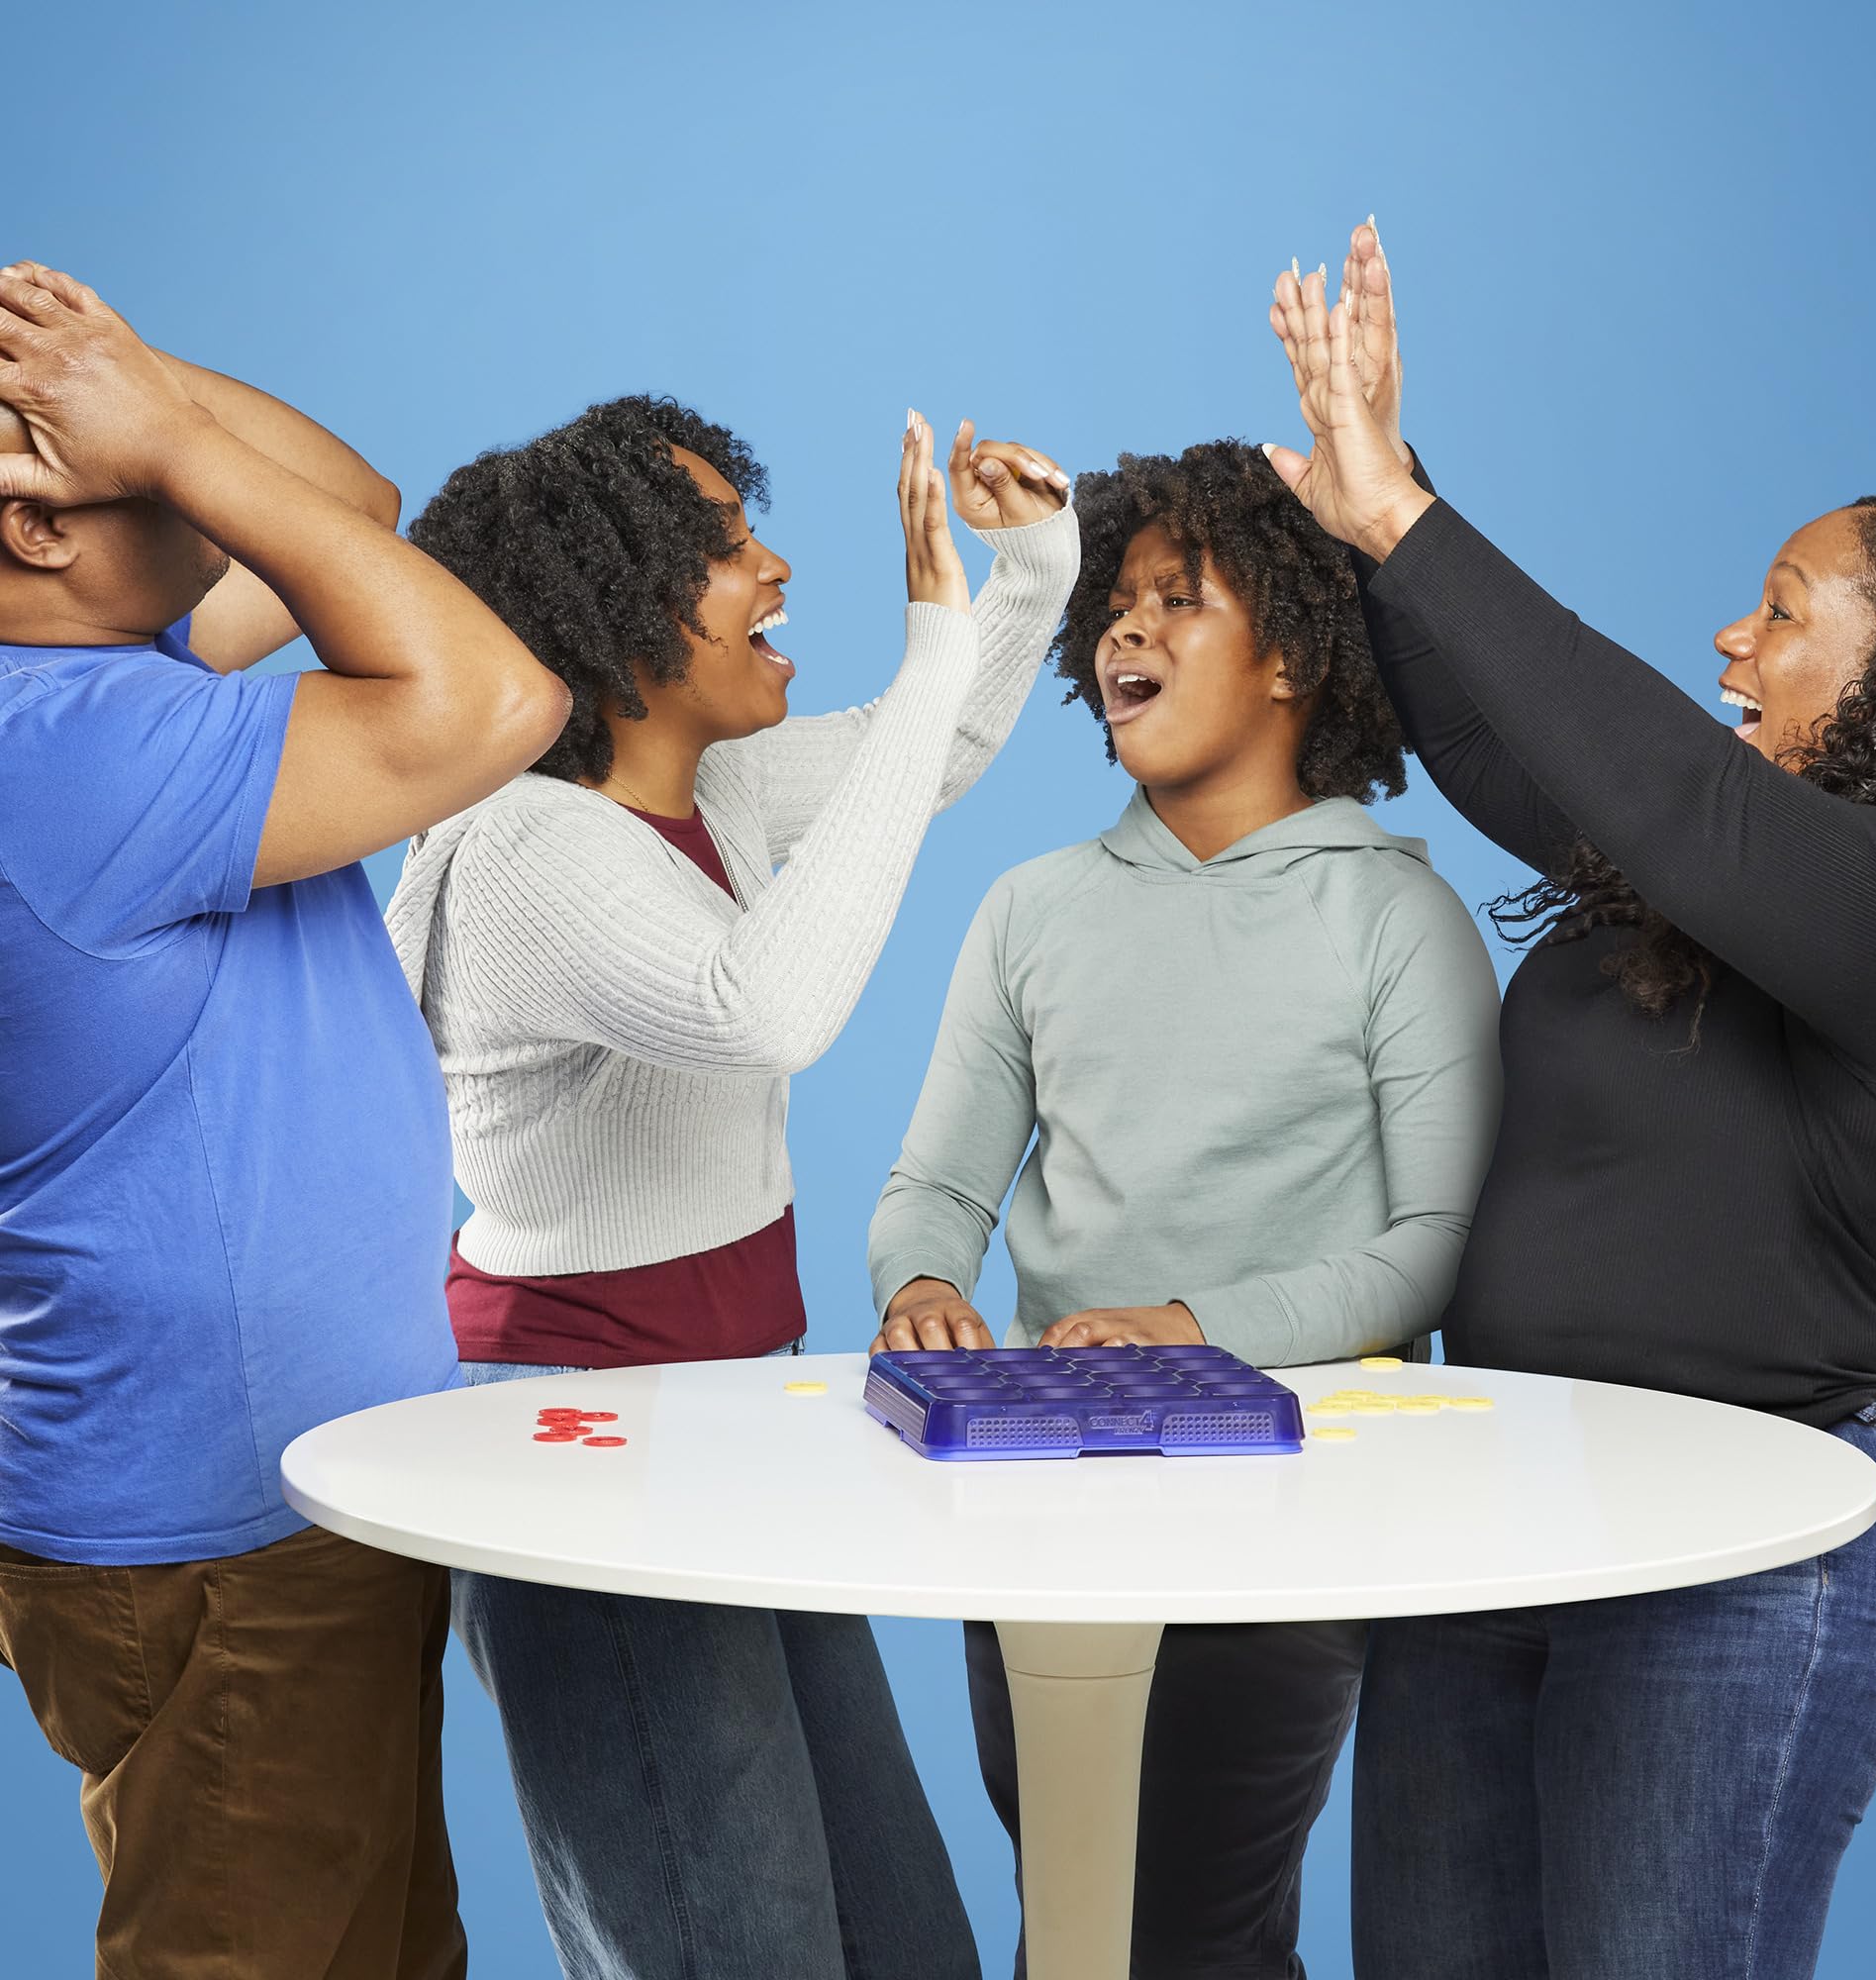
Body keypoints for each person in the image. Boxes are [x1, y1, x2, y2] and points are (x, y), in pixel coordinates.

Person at [1262, 226, 1876, 1980]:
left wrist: (1411, 529)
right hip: (1496, 1501)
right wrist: (1382, 486)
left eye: (1788, 616)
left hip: (1760, 1537)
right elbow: (1520, 750)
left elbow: (1662, 792)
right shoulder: (1680, 880)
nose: (1737, 632)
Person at [386, 396, 1078, 1980]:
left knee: (901, 1938)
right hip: (583, 1445)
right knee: (732, 1945)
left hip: (732, 1412)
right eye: (721, 547)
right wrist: (923, 642)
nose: (773, 566)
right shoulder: (526, 848)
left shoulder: (702, 800)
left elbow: (931, 757)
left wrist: (1026, 566)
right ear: (606, 606)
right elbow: (764, 1007)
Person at [867, 437, 1503, 1979]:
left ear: (1290, 654)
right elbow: (936, 1184)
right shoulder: (1033, 909)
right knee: (1072, 1912)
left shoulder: (1398, 917)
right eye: (1116, 608)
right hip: (1033, 1476)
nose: (1125, 631)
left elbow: (1426, 1253)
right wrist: (920, 1288)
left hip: (1289, 1497)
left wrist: (1190, 1331)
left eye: (1180, 600)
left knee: (1199, 1928)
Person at [0, 263, 570, 1978]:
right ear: (34, 527)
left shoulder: (112, 681)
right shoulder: (72, 753)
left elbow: (351, 514)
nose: (191, 472)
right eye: (143, 468)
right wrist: (149, 422)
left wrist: (110, 381)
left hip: (284, 1507)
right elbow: (494, 699)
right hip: (228, 1547)